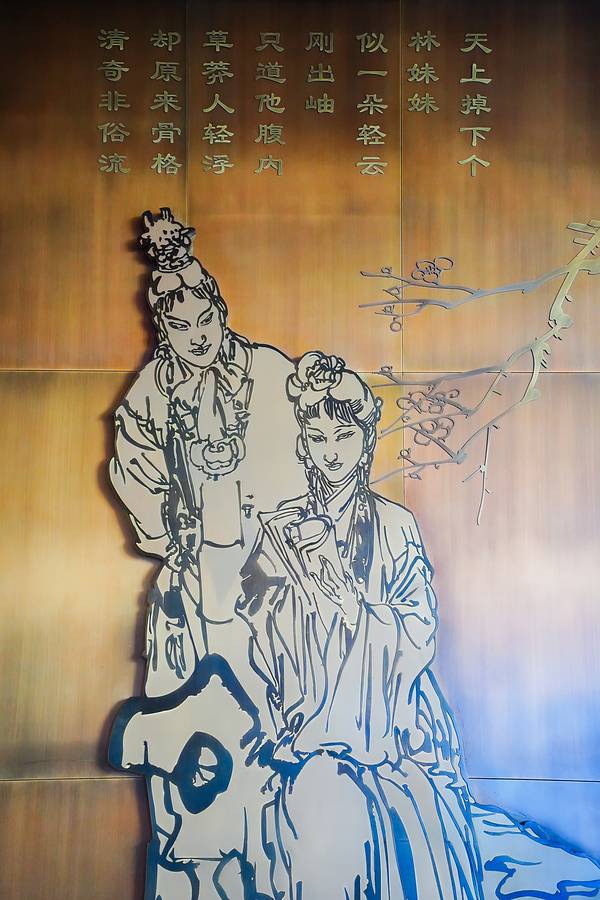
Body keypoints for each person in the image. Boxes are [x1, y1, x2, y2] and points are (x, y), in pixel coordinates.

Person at [236, 351, 600, 900]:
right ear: (303, 444)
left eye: (344, 436)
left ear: (365, 440)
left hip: (397, 721)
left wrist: (348, 599)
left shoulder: (395, 525)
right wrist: (300, 597)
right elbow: (258, 629)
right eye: (318, 437)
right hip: (310, 721)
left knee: (422, 835)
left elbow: (418, 629)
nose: (332, 451)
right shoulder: (281, 529)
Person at [108, 209, 305, 899]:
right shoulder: (146, 399)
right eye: (181, 326)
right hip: (192, 599)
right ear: (163, 329)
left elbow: (306, 475)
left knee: (268, 750)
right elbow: (137, 486)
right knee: (189, 760)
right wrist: (183, 538)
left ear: (221, 311)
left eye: (206, 320)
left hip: (270, 592)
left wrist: (267, 537)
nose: (198, 336)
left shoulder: (272, 373)